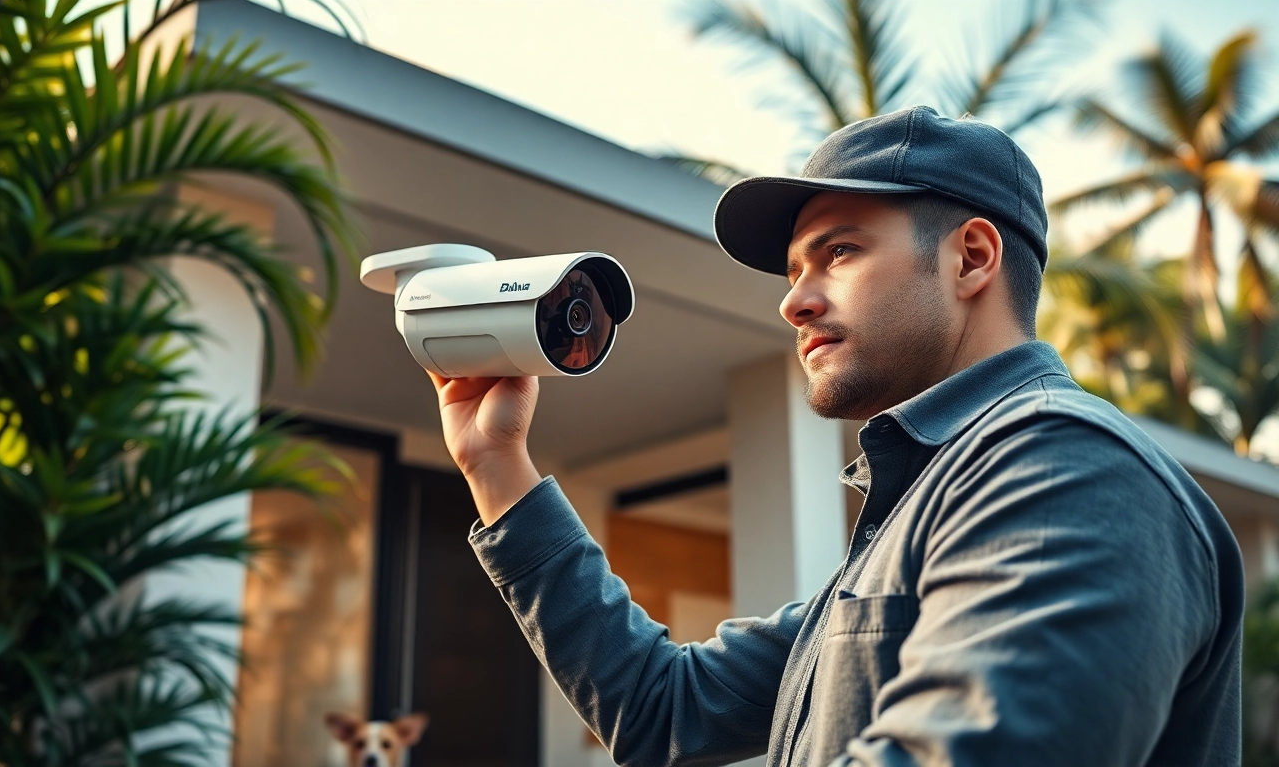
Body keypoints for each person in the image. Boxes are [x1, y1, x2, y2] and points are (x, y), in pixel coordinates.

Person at [426, 106, 1245, 766]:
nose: (795, 302)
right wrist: (497, 465)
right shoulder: (927, 506)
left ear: (970, 259)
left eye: (839, 252)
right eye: (793, 273)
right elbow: (659, 708)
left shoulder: (1063, 470)